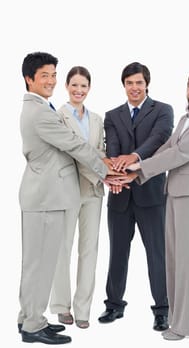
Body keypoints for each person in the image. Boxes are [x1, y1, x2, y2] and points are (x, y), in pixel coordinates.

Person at [17, 52, 121, 345]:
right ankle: (33, 324)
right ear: (29, 79)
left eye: (53, 74)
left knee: (35, 263)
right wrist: (105, 171)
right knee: (41, 263)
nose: (50, 80)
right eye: (44, 76)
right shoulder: (42, 113)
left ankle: (29, 318)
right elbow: (75, 145)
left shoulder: (41, 108)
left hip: (48, 195)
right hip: (47, 196)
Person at [123, 68, 189, 340]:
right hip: (174, 192)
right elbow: (168, 147)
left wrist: (141, 167)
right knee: (173, 258)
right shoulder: (186, 118)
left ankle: (187, 326)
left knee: (187, 260)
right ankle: (175, 319)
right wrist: (137, 169)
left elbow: (181, 153)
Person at [98, 62, 174, 331]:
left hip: (151, 194)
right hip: (120, 195)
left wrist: (135, 157)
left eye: (139, 83)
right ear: (124, 85)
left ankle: (162, 309)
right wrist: (117, 174)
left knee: (157, 253)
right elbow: (113, 144)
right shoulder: (112, 115)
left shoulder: (163, 110)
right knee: (117, 252)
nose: (134, 87)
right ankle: (114, 305)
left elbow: (159, 139)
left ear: (147, 84)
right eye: (129, 83)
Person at [49, 66, 105, 329]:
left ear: (89, 88)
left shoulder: (96, 119)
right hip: (68, 189)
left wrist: (109, 170)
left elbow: (100, 151)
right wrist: (102, 172)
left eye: (84, 86)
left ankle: (83, 309)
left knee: (89, 250)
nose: (79, 90)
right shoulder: (57, 116)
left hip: (93, 192)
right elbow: (69, 151)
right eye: (74, 85)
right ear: (67, 86)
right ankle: (61, 306)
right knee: (63, 248)